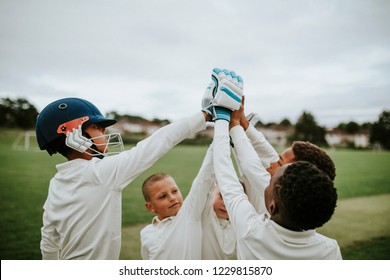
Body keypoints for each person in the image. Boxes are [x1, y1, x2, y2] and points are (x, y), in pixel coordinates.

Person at [35, 97, 210, 260]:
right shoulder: (101, 173)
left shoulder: (56, 183)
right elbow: (157, 143)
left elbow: (49, 241)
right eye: (98, 127)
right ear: (74, 135)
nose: (104, 131)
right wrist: (205, 115)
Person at [211, 73, 342, 259]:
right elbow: (260, 161)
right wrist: (242, 125)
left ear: (272, 206)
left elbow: (233, 176)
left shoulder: (251, 231)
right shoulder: (330, 249)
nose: (271, 166)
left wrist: (227, 120)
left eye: (273, 178)